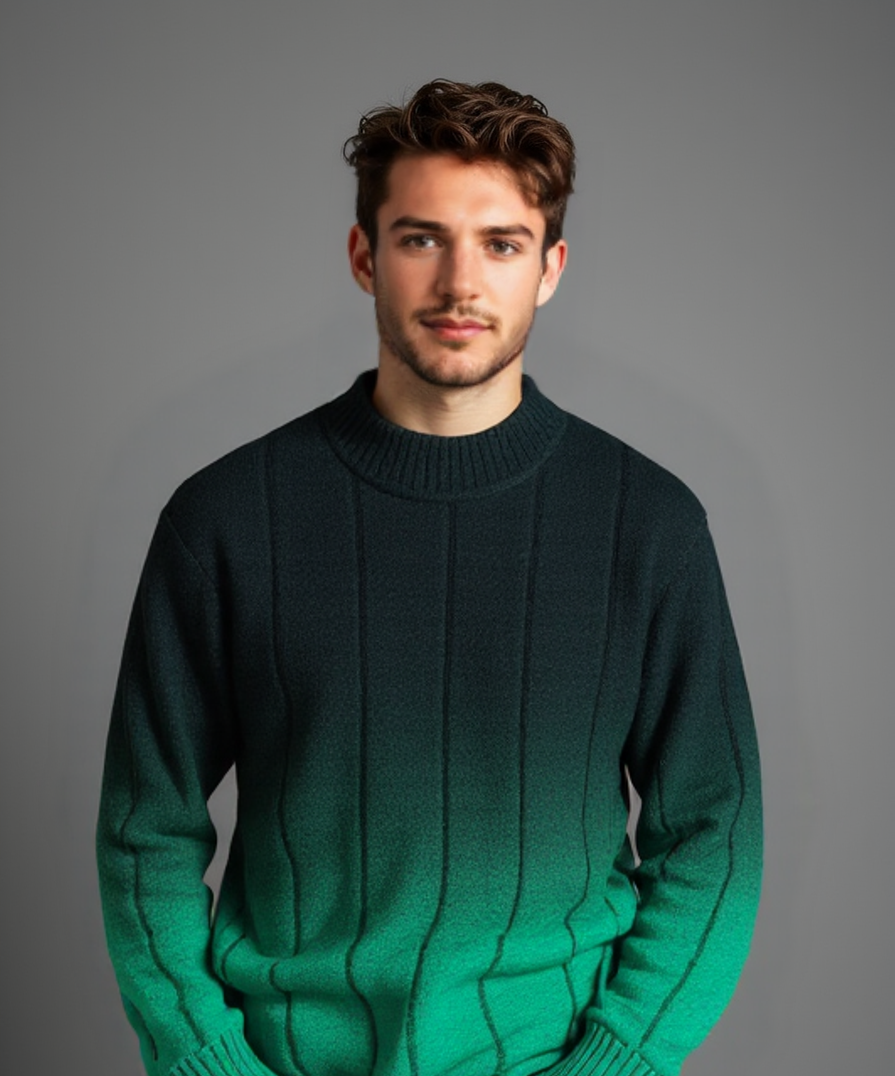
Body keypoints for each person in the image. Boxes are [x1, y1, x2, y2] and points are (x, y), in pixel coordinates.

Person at [97, 79, 762, 1076]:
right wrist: (205, 1059)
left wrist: (615, 1061)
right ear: (364, 256)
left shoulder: (649, 525)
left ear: (549, 268)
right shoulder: (225, 520)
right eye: (421, 238)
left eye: (500, 243)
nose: (460, 282)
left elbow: (715, 833)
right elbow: (142, 827)